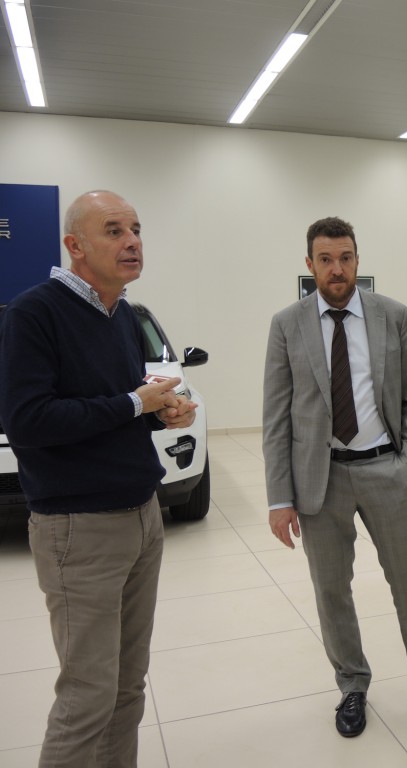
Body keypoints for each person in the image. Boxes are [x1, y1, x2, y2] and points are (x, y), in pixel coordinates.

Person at [0, 190, 197, 768]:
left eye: (136, 229)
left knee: (128, 687)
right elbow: (27, 421)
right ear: (75, 245)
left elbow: (118, 403)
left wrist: (163, 412)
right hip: (78, 529)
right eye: (113, 230)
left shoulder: (122, 316)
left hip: (142, 517)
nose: (132, 241)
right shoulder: (34, 313)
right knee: (87, 696)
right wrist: (135, 404)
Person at [262, 216, 407, 738]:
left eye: (345, 258)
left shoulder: (391, 315)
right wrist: (279, 498)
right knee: (332, 591)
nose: (337, 269)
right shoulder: (287, 324)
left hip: (385, 470)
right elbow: (276, 417)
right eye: (326, 260)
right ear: (309, 264)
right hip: (320, 480)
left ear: (357, 260)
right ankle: (352, 687)